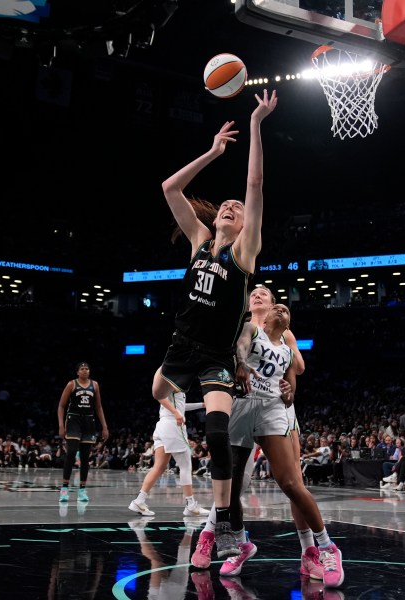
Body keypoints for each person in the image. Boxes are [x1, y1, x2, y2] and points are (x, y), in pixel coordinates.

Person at [150, 89, 278, 557]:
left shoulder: (244, 254)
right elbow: (169, 188)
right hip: (181, 345)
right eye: (225, 203)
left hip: (216, 357)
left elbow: (256, 186)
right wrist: (212, 151)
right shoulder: (199, 240)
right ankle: (178, 404)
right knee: (158, 392)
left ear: (245, 225)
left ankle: (225, 522)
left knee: (219, 433)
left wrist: (257, 124)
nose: (230, 205)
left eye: (236, 207)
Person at [193, 303, 344, 588]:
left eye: (285, 309)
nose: (280, 309)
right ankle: (238, 542)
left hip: (273, 410)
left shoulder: (287, 346)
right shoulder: (249, 328)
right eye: (275, 305)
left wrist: (290, 390)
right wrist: (240, 364)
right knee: (233, 486)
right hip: (243, 404)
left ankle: (325, 548)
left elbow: (293, 383)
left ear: (288, 324)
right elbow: (239, 345)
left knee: (290, 482)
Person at [128, 393, 210, 518]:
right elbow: (160, 396)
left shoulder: (176, 383)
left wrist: (201, 405)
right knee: (186, 466)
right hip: (173, 425)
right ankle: (190, 505)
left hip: (162, 426)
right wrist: (176, 413)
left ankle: (139, 501)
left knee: (159, 467)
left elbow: (181, 406)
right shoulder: (174, 378)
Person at [57, 362, 109, 503]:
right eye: (82, 369)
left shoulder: (95, 385)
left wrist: (104, 426)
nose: (85, 371)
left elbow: (98, 406)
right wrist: (61, 425)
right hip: (73, 419)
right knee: (72, 453)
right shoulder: (71, 384)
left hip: (89, 421)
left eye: (87, 368)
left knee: (85, 457)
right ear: (77, 372)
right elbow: (61, 406)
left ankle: (82, 490)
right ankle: (64, 489)